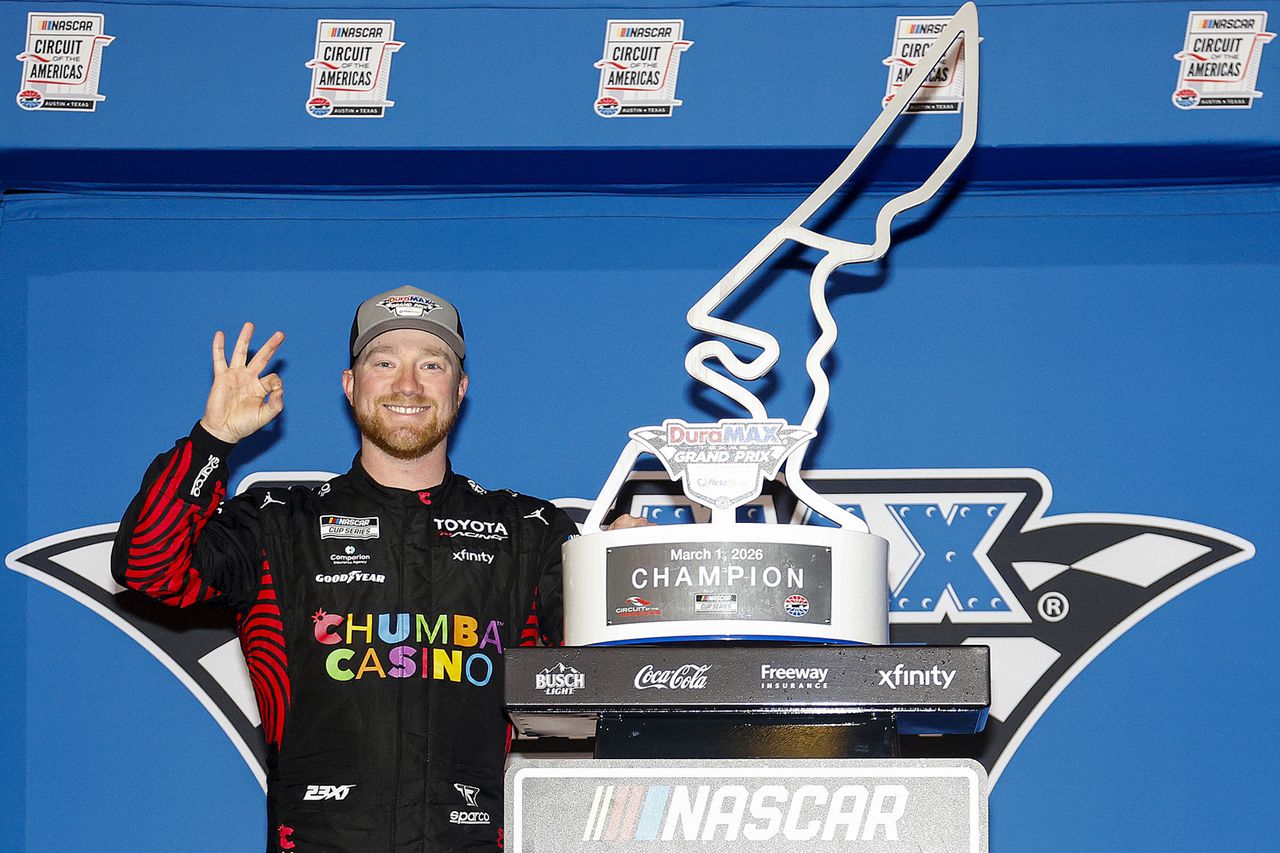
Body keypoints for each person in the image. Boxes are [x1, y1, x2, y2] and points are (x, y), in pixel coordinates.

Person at [112, 286, 638, 852]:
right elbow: (149, 567)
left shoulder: (527, 531)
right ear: (350, 385)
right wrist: (212, 441)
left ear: (460, 389)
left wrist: (629, 572)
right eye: (384, 363)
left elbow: (610, 665)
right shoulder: (278, 523)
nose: (407, 384)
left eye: (431, 365)